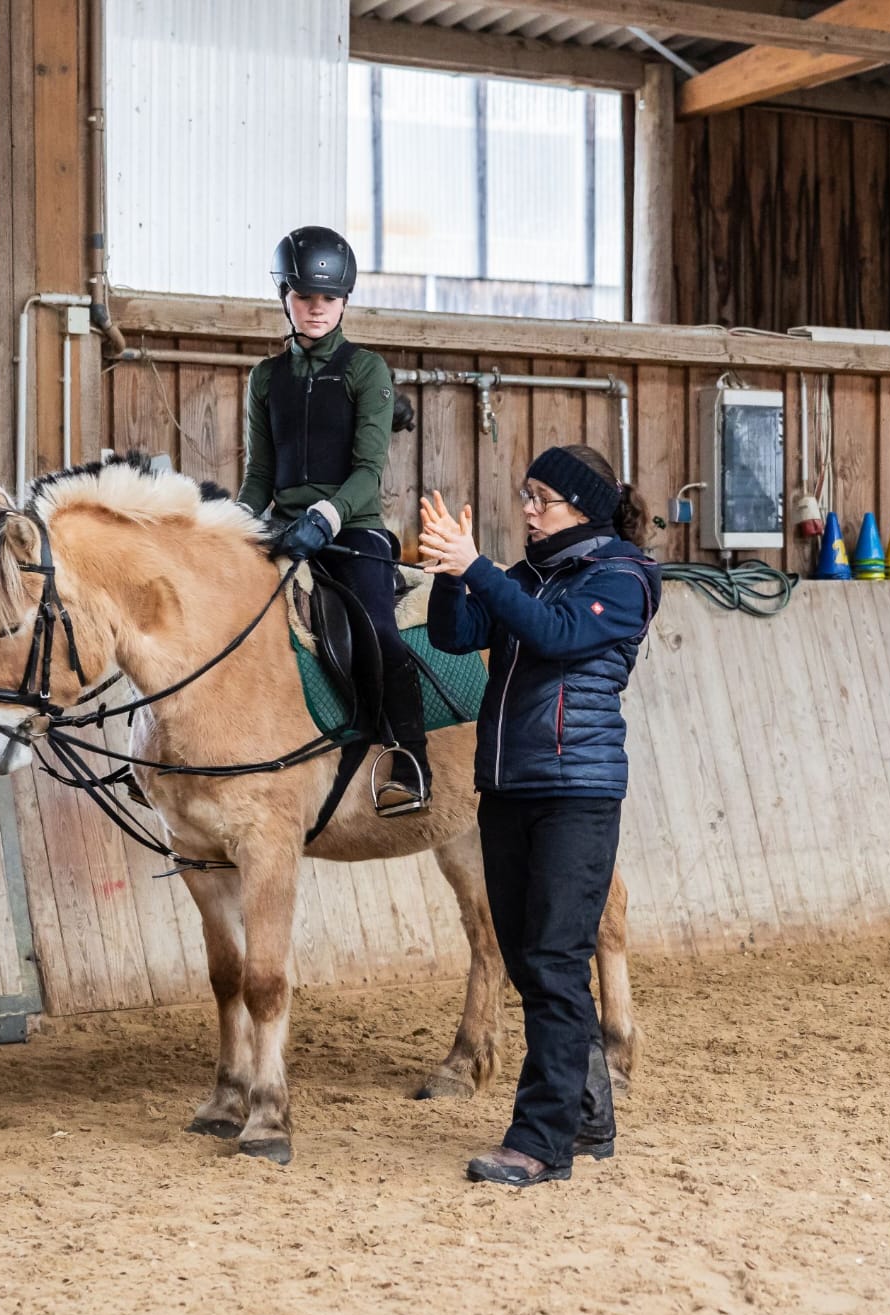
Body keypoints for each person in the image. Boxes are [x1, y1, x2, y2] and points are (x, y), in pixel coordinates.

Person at [418, 443, 661, 1187]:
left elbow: (553, 634)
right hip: (510, 783)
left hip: (576, 791)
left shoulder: (622, 577)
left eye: (541, 498)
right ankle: (586, 1113)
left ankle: (540, 1140)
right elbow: (455, 636)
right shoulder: (531, 574)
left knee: (555, 960)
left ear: (582, 507)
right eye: (525, 494)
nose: (527, 508)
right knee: (531, 960)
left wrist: (479, 569)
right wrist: (448, 573)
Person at [239, 225, 429, 815]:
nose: (316, 309)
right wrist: (235, 522)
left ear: (344, 301)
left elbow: (368, 472)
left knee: (376, 626)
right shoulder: (265, 379)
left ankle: (409, 757)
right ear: (285, 297)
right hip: (284, 530)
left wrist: (325, 517)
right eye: (303, 296)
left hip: (352, 530)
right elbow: (259, 475)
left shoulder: (366, 369)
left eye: (327, 299)